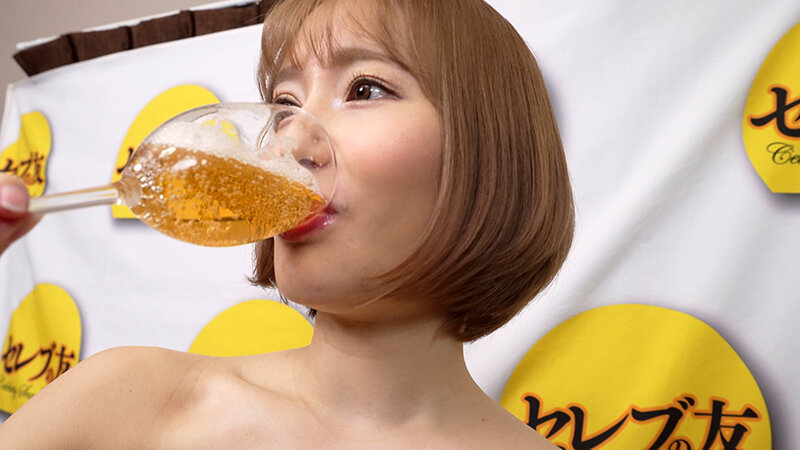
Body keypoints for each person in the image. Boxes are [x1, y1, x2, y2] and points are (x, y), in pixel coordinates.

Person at [0, 0, 573, 447]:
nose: (289, 142)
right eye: (285, 103)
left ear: (491, 155)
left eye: (364, 89)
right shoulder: (129, 403)